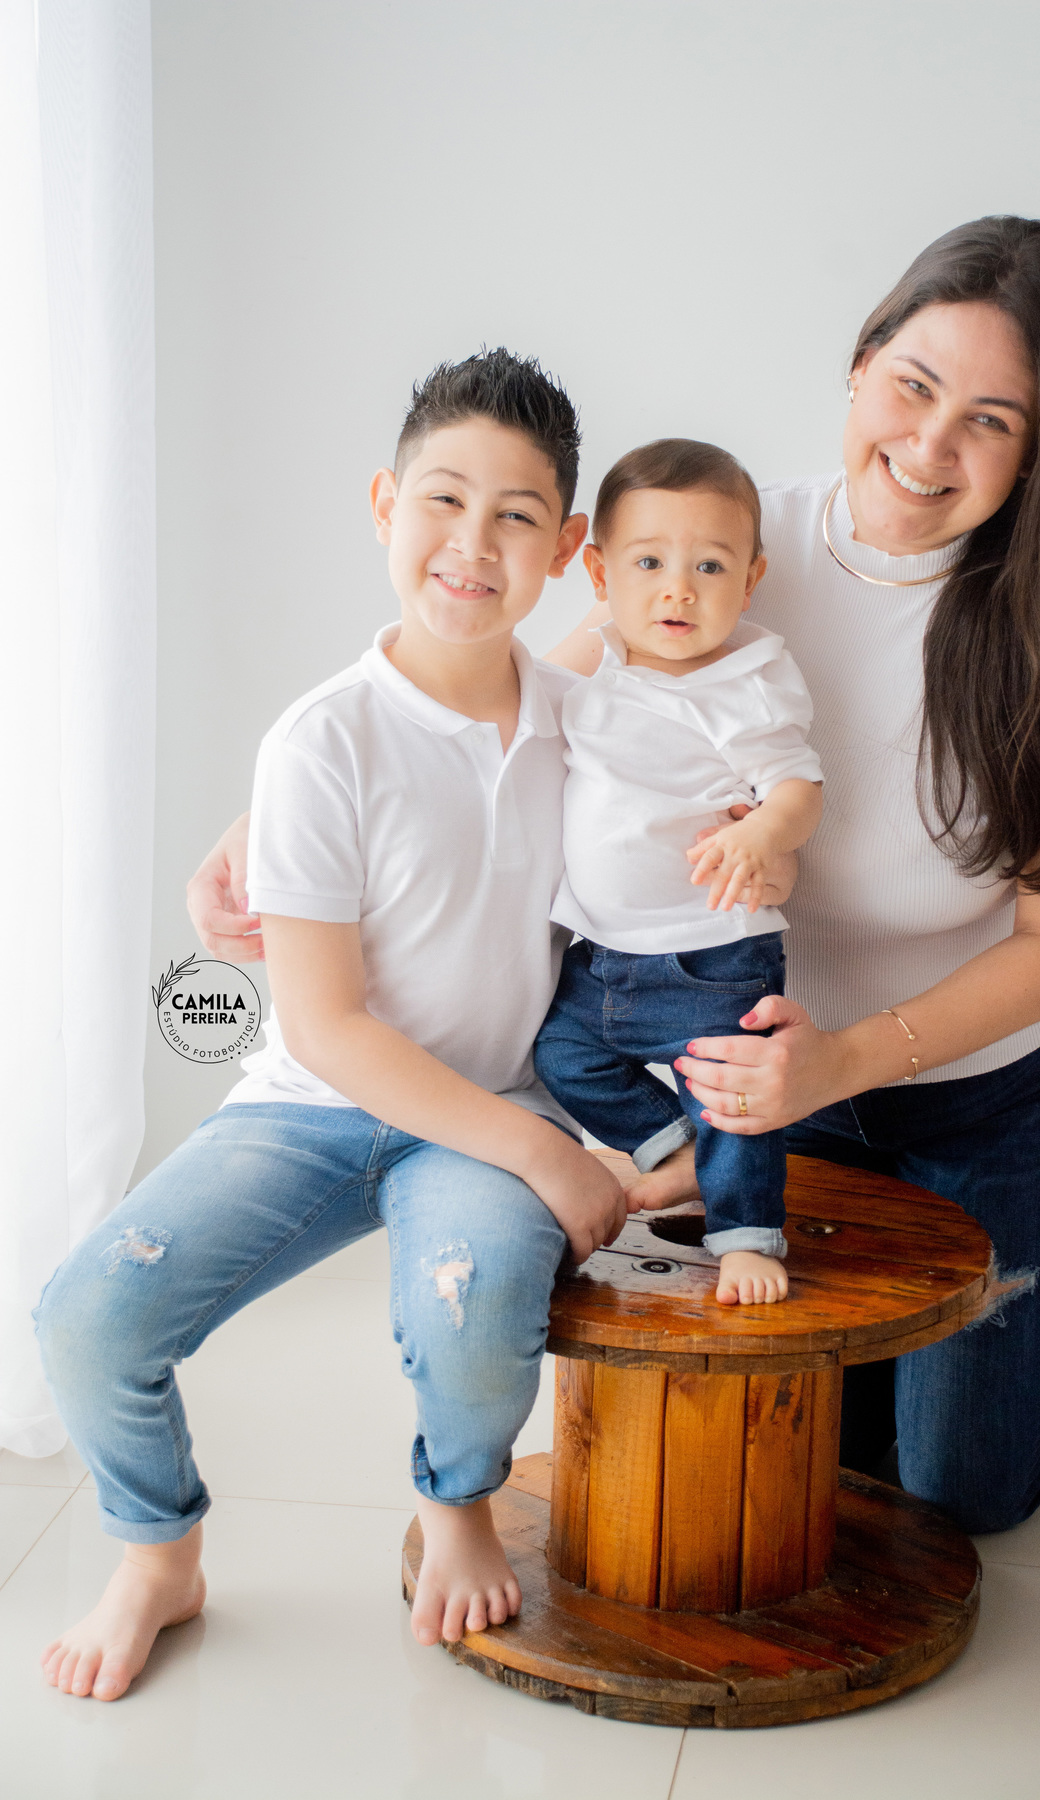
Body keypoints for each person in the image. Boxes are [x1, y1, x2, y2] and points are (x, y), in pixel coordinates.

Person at [190, 217, 1040, 1537]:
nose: (932, 445)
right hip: (766, 1065)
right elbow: (524, 688)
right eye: (914, 386)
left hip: (987, 1082)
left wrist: (848, 1060)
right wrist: (274, 816)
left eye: (991, 422)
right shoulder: (733, 544)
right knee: (815, 1440)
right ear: (861, 362)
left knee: (958, 1494)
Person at [35, 350, 630, 1702]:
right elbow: (325, 1023)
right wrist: (554, 1160)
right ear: (382, 505)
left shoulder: (589, 725)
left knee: (474, 1305)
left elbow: (654, 657)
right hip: (317, 1102)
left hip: (484, 1109)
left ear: (566, 549)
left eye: (517, 517)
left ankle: (457, 1503)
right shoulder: (320, 742)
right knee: (87, 1318)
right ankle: (157, 1554)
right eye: (443, 500)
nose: (471, 543)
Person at [533, 439, 824, 1306]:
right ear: (599, 573)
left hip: (712, 951)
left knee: (732, 1097)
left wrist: (764, 833)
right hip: (601, 952)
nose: (678, 590)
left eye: (710, 567)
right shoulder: (592, 667)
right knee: (560, 1053)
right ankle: (673, 1148)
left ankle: (745, 1237)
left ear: (751, 578)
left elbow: (799, 787)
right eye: (650, 563)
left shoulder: (749, 678)